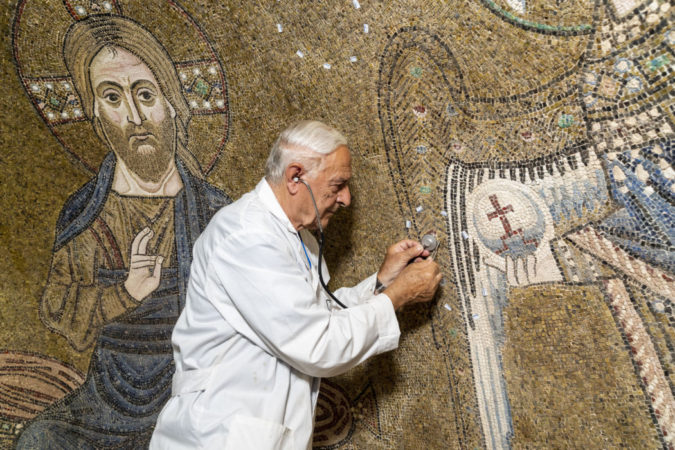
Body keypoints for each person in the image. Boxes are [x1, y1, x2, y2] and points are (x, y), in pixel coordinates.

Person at [150, 120, 442, 449]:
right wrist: (397, 297)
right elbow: (319, 344)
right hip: (217, 436)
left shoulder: (296, 237)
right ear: (295, 177)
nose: (345, 198)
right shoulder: (246, 237)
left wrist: (382, 282)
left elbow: (319, 315)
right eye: (338, 184)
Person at [17, 15, 231, 449]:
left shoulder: (216, 213)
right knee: (39, 441)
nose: (133, 117)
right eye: (112, 97)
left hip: (192, 396)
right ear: (95, 112)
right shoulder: (86, 214)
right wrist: (127, 292)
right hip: (105, 403)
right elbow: (58, 308)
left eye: (145, 95)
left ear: (171, 103)